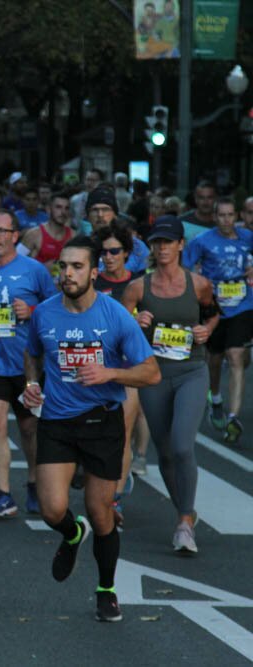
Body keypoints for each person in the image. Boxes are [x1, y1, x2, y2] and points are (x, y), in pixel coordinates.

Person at [23, 236, 160, 622]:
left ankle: (106, 589)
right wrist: (31, 385)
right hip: (58, 421)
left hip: (102, 421)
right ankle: (71, 534)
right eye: (63, 266)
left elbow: (151, 372)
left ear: (94, 273)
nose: (67, 273)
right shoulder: (44, 314)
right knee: (52, 509)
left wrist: (110, 372)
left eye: (77, 266)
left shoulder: (115, 315)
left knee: (100, 513)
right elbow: (32, 354)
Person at [122, 216, 217, 553]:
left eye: (167, 242)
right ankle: (184, 514)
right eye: (156, 242)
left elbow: (213, 312)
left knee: (181, 446)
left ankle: (185, 524)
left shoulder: (199, 284)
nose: (161, 248)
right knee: (163, 451)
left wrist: (207, 330)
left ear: (180, 245)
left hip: (191, 371)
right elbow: (121, 328)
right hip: (154, 374)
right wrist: (137, 320)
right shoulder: (138, 287)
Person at [0, 210, 57, 516]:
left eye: (1, 232)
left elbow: (55, 308)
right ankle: (4, 493)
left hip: (27, 363)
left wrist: (32, 310)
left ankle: (34, 483)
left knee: (29, 428)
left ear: (15, 236)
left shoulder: (34, 270)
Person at [183, 198, 253, 443]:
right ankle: (215, 398)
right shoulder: (203, 241)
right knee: (214, 359)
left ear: (237, 216)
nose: (226, 220)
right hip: (214, 307)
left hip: (243, 305)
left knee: (235, 355)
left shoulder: (247, 238)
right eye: (221, 215)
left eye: (230, 215)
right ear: (215, 217)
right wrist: (197, 281)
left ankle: (233, 417)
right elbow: (185, 266)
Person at [94, 222, 151, 491]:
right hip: (94, 366)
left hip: (128, 366)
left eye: (115, 251)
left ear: (127, 252)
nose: (109, 257)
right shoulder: (91, 282)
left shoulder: (139, 284)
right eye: (104, 252)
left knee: (123, 434)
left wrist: (143, 319)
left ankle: (115, 498)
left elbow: (154, 322)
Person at [20, 192, 74, 279]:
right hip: (37, 288)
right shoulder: (33, 234)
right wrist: (42, 269)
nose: (63, 212)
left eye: (66, 208)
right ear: (49, 209)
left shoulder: (74, 237)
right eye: (58, 207)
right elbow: (15, 261)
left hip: (63, 289)